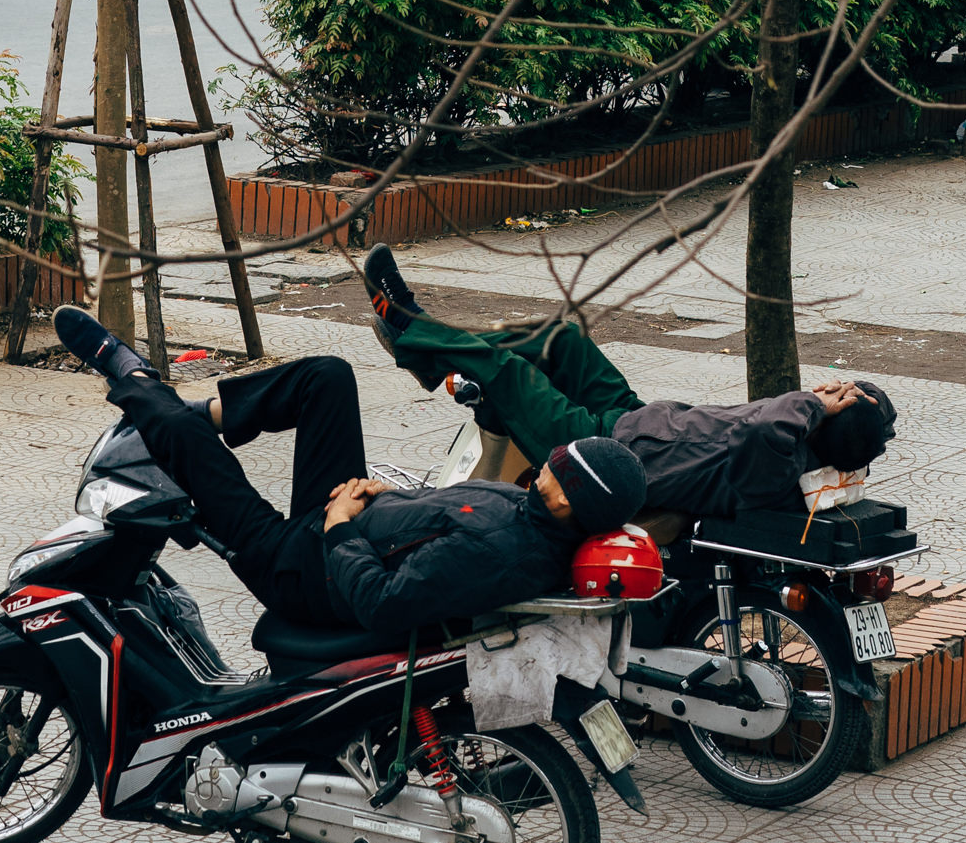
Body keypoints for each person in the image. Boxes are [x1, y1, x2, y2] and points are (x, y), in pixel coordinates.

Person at [52, 306, 646, 638]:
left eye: (562, 466)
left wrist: (339, 527)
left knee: (183, 443)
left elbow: (384, 604)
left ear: (568, 502)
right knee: (328, 377)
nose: (550, 458)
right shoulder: (530, 515)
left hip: (300, 566)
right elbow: (438, 527)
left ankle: (129, 376)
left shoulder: (504, 547)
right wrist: (392, 495)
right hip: (350, 516)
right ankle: (205, 410)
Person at [358, 247, 895, 531]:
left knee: (506, 371)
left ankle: (407, 323)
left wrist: (811, 404)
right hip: (631, 418)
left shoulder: (780, 455)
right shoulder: (798, 442)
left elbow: (764, 429)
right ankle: (428, 346)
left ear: (827, 420)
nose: (828, 386)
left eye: (838, 393)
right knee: (561, 340)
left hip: (610, 451)